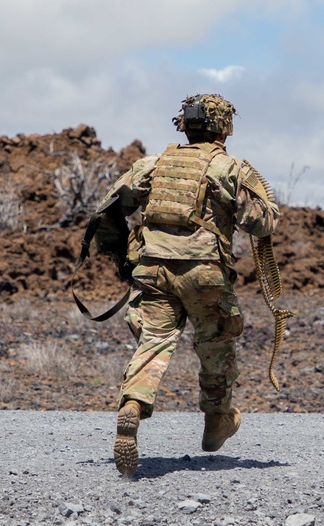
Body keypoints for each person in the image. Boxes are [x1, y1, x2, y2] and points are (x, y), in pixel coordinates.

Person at [94, 93, 280, 477]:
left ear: (185, 124)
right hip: (205, 275)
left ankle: (132, 404)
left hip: (153, 271)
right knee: (216, 344)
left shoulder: (151, 164)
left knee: (153, 341)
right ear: (225, 127)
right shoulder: (229, 168)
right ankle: (217, 422)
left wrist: (122, 260)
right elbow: (262, 224)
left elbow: (108, 208)